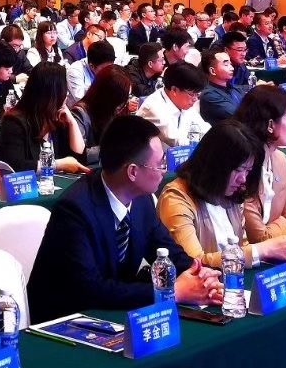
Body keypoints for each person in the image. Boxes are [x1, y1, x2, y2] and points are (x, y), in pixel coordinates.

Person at [27, 115, 223, 322]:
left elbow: (168, 250)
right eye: (160, 164)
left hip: (114, 310)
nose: (164, 171)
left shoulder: (142, 199)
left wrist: (202, 276)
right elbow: (89, 289)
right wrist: (170, 291)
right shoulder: (74, 210)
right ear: (133, 172)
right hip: (65, 319)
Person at [158, 121, 286, 270]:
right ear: (215, 164)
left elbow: (242, 248)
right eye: (238, 170)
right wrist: (263, 249)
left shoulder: (232, 195)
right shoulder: (176, 198)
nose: (243, 179)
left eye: (247, 171)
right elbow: (194, 264)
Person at [231, 86, 286, 243]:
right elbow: (258, 237)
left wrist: (276, 231)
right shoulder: (242, 167)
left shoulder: (281, 160)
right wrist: (281, 225)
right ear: (270, 125)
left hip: (279, 252)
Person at [0, 63, 89, 174]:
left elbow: (79, 162)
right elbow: (13, 166)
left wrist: (72, 123)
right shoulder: (13, 122)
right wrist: (56, 165)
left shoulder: (59, 118)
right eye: (65, 89)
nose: (67, 94)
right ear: (52, 94)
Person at [135, 60, 209, 147]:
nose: (195, 99)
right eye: (192, 94)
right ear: (174, 90)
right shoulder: (153, 109)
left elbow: (203, 128)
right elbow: (178, 143)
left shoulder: (182, 101)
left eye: (198, 94)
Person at [70, 65, 132, 166]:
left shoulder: (115, 110)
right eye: (122, 98)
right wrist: (114, 148)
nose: (125, 103)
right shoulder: (80, 113)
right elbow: (80, 155)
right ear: (109, 96)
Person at [196, 46, 246, 123]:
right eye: (226, 65)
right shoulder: (209, 95)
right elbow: (239, 117)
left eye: (230, 64)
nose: (232, 68)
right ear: (212, 71)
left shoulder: (234, 88)